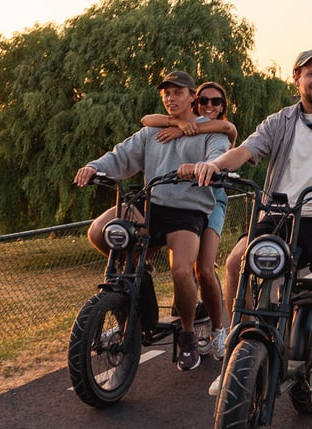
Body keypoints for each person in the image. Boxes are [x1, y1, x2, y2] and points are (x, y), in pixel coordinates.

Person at [187, 49, 312, 393]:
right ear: (297, 79)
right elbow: (246, 150)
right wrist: (216, 166)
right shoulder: (280, 121)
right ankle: (236, 349)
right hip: (279, 215)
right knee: (235, 263)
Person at [73, 70, 230, 371]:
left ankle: (186, 333)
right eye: (166, 93)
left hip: (187, 210)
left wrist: (201, 167)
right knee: (98, 231)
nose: (171, 98)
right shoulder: (151, 132)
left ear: (192, 97)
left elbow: (219, 156)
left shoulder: (212, 132)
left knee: (184, 271)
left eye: (178, 92)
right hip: (152, 204)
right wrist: (93, 167)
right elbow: (120, 156)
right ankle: (136, 280)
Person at [140, 81, 237, 360]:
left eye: (216, 102)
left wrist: (185, 128)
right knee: (167, 254)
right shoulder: (181, 127)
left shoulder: (223, 131)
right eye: (203, 101)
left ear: (223, 107)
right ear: (195, 102)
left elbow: (226, 129)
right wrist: (179, 124)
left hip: (212, 201)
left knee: (204, 269)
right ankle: (136, 312)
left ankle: (219, 330)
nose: (209, 106)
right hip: (188, 200)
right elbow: (147, 120)